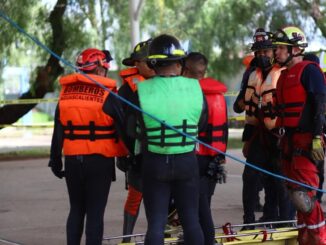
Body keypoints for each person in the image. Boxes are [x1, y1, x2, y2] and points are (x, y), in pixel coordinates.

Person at [48, 48, 128, 245]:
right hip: (99, 161)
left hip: (74, 161)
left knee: (76, 210)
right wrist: (129, 158)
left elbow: (59, 129)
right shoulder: (107, 93)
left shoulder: (66, 93)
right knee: (95, 213)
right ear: (100, 69)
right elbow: (123, 129)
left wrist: (55, 159)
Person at [134, 34, 206, 245]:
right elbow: (202, 122)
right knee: (191, 221)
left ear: (152, 63)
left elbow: (134, 129)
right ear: (180, 62)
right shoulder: (195, 87)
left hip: (155, 162)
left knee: (156, 224)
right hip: (187, 161)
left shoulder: (142, 90)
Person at [235, 28, 293, 230]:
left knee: (279, 182)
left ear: (274, 51)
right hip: (259, 136)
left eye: (266, 51)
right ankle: (249, 221)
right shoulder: (253, 75)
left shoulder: (284, 74)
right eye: (258, 52)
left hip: (279, 136)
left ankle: (284, 222)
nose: (262, 56)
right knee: (250, 178)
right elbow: (238, 105)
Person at [273, 26, 326, 244]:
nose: (276, 52)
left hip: (307, 141)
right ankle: (305, 239)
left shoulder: (310, 71)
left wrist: (316, 139)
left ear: (295, 49)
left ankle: (320, 239)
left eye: (280, 48)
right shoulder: (283, 76)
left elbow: (320, 105)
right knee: (295, 197)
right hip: (288, 143)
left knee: (305, 199)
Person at [183, 52, 228, 245]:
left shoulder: (191, 94)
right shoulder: (218, 96)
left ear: (185, 70)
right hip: (214, 160)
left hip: (196, 158)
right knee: (203, 206)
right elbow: (223, 130)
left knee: (198, 210)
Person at [117, 39, 155, 243]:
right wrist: (123, 152)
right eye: (137, 63)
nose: (137, 66)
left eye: (141, 62)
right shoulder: (127, 89)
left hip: (163, 151)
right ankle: (126, 239)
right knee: (135, 196)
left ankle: (160, 236)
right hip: (137, 154)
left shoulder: (167, 82)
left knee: (162, 199)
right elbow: (117, 121)